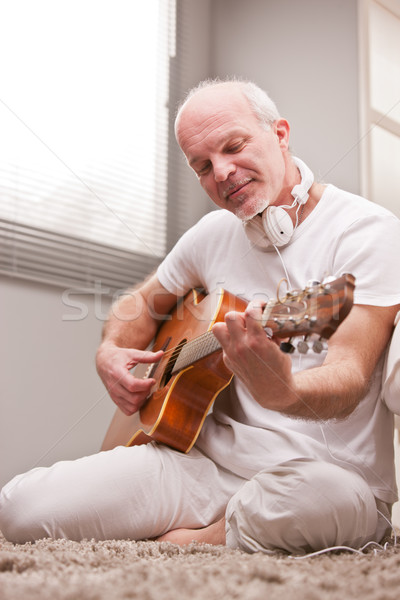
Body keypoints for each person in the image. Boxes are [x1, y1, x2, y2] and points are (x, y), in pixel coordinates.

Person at [1, 79, 400, 555]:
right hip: (203, 466)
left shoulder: (367, 232)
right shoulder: (212, 233)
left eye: (234, 146)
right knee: (21, 508)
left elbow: (350, 374)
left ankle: (202, 539)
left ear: (280, 133)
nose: (223, 172)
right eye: (203, 165)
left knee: (318, 502)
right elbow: (140, 303)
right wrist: (109, 351)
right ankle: (227, 527)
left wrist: (284, 391)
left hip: (321, 476)